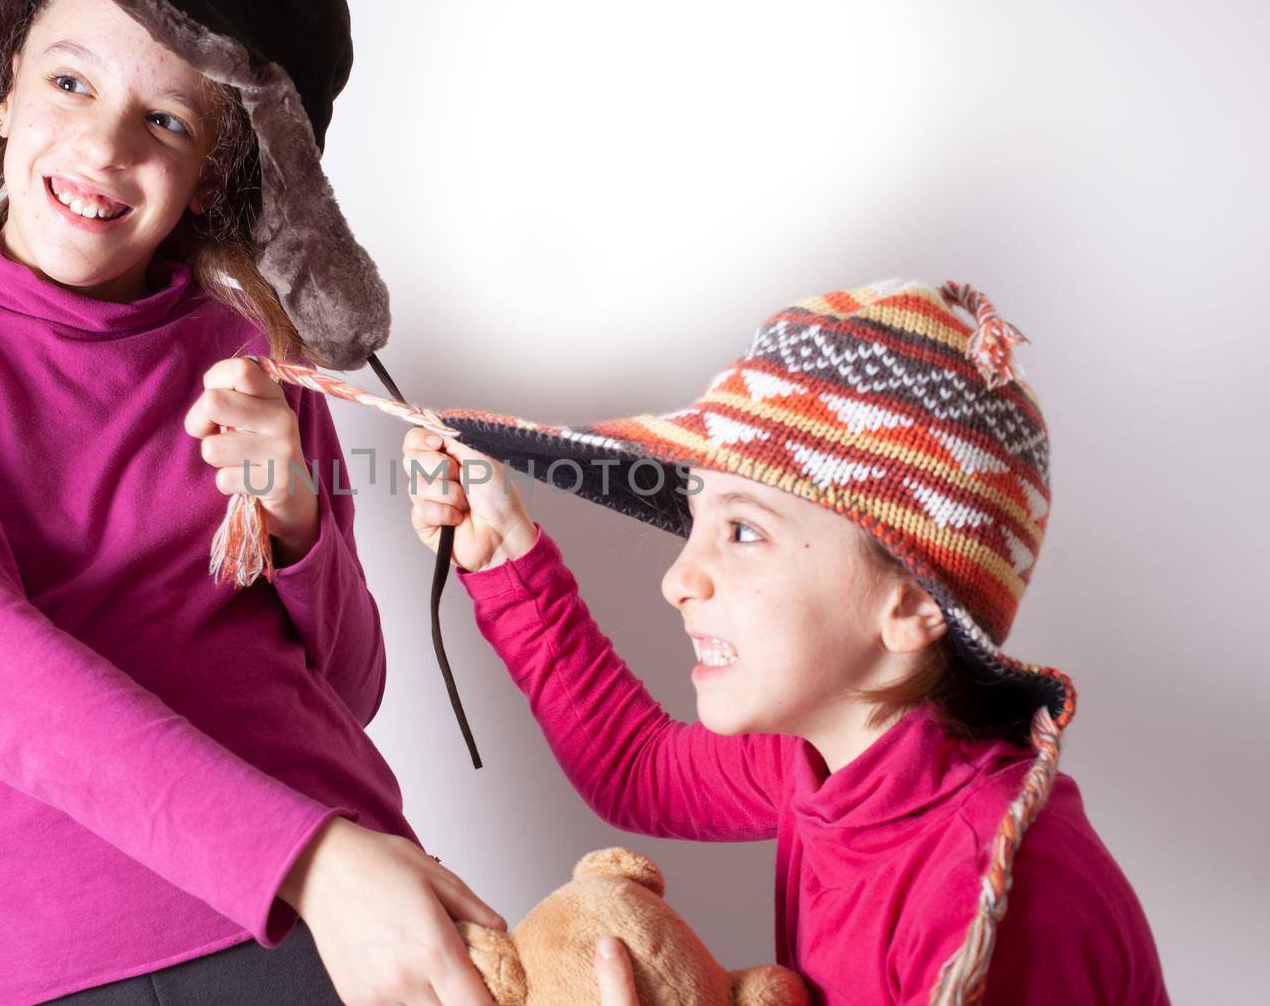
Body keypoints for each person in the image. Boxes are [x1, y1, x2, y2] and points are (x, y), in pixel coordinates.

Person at [0, 0, 502, 1006]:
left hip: (344, 914)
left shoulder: (249, 353)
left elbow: (349, 688)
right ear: (6, 82)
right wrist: (310, 855)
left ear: (207, 167)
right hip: (95, 934)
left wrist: (290, 512)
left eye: (165, 120)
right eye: (72, 82)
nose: (106, 146)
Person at [399, 278, 1171, 1004]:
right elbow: (636, 769)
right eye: (696, 520)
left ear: (908, 603)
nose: (678, 578)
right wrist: (503, 555)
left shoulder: (994, 904)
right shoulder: (825, 754)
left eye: (741, 530)